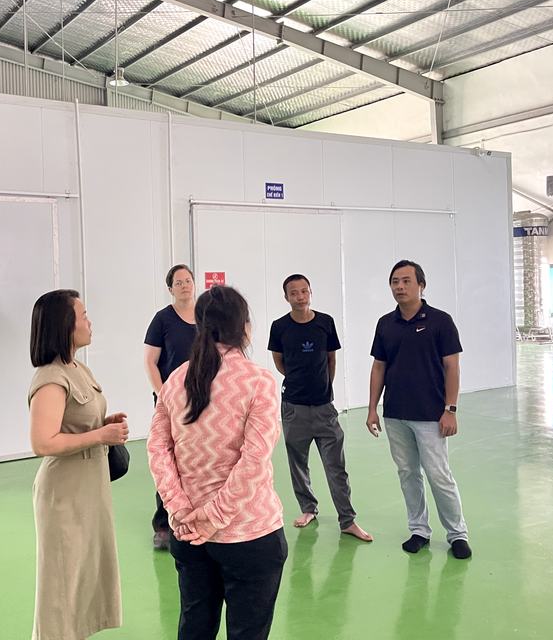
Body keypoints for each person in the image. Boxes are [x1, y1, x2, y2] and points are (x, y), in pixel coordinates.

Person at [148, 285, 288, 640]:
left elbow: (157, 449)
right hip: (249, 534)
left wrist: (181, 509)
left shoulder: (176, 380)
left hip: (188, 534)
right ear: (244, 328)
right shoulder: (259, 381)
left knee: (194, 627)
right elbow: (254, 459)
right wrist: (214, 517)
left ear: (200, 326)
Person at [28, 290, 130, 639]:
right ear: (65, 325)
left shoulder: (78, 369)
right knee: (61, 586)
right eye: (83, 315)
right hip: (65, 494)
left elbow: (77, 422)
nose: (89, 322)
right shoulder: (51, 379)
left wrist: (104, 424)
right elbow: (43, 442)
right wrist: (100, 435)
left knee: (83, 580)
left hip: (89, 490)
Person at [366, 260, 472, 560]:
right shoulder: (385, 324)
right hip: (395, 414)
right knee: (407, 473)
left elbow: (452, 367)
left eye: (406, 281)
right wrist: (372, 409)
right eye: (395, 282)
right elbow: (379, 367)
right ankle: (419, 530)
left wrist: (450, 409)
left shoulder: (440, 321)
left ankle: (457, 534)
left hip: (430, 415)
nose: (399, 287)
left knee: (439, 475)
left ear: (421, 285)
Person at [268, 274, 373, 542]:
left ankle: (347, 520)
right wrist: (297, 380)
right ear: (286, 297)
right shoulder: (279, 327)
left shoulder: (325, 322)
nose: (300, 296)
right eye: (294, 292)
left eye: (304, 291)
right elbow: (279, 361)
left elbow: (331, 360)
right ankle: (308, 508)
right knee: (298, 462)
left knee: (336, 466)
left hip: (324, 408)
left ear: (310, 292)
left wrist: (324, 387)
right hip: (293, 407)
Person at [144, 264, 198, 550]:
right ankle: (164, 524)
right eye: (179, 283)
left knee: (199, 460)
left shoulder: (205, 317)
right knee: (168, 461)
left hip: (203, 401)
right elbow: (150, 361)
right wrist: (163, 395)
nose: (185, 286)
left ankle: (196, 517)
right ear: (170, 289)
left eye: (188, 280)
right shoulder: (162, 319)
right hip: (170, 403)